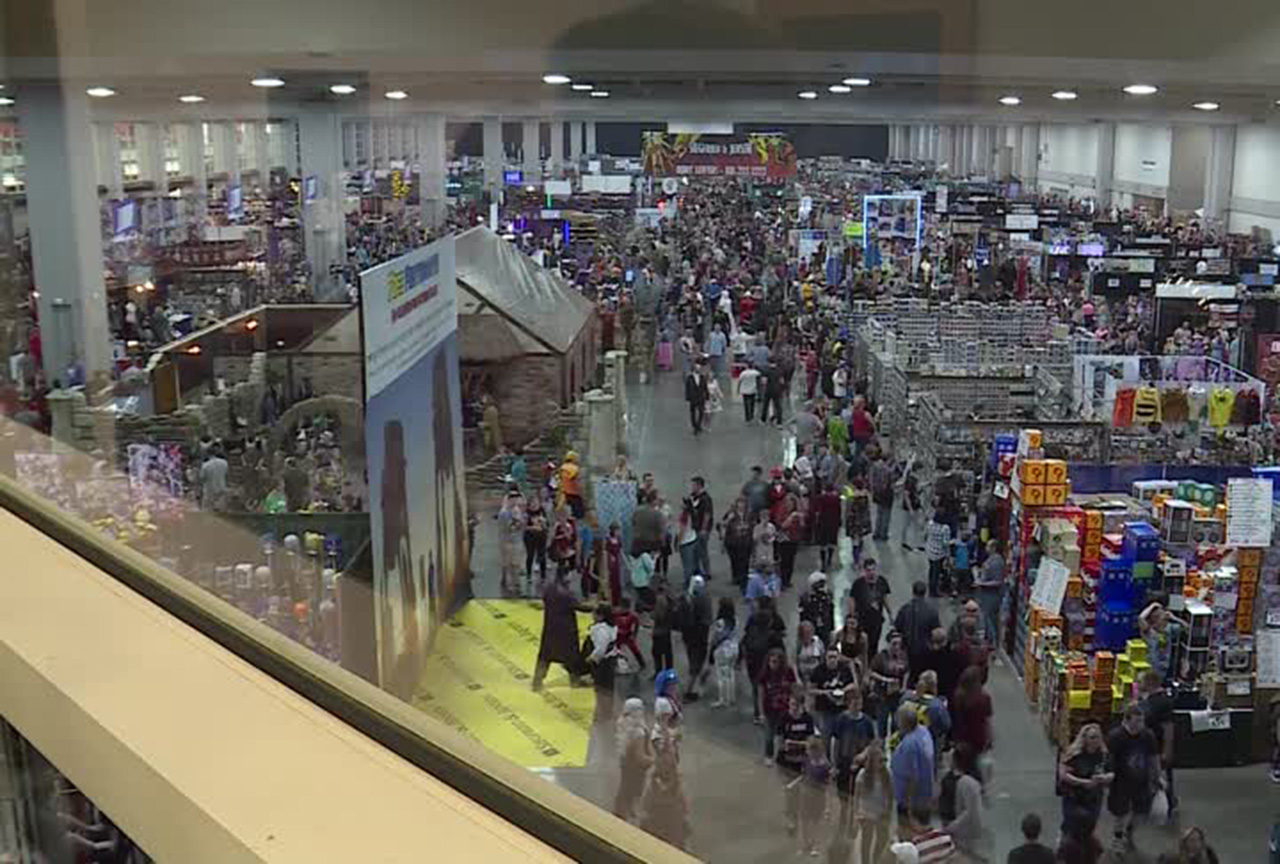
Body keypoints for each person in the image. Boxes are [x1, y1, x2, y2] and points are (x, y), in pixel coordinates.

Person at [1107, 703, 1160, 851]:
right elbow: (1109, 760)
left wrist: (1158, 776)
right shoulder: (1116, 737)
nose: (1140, 725)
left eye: (1142, 721)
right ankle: (1117, 838)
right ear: (1126, 720)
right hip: (1121, 781)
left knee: (1140, 811)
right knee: (1120, 812)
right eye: (1136, 722)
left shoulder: (1147, 735)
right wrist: (1108, 777)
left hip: (1141, 780)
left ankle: (1130, 831)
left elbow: (1153, 757)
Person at [532, 570, 587, 691]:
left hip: (550, 629)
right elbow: (581, 607)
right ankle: (575, 681)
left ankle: (537, 682)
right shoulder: (567, 595)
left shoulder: (549, 590)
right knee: (571, 657)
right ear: (565, 578)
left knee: (545, 656)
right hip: (566, 631)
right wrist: (597, 606)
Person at [1058, 722, 1112, 844]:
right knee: (1070, 823)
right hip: (1074, 796)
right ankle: (1064, 846)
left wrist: (1104, 778)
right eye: (1092, 737)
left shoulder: (1104, 755)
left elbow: (1112, 772)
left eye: (1098, 737)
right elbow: (1063, 775)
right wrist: (1083, 782)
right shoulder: (1074, 754)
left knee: (1090, 823)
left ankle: (1085, 848)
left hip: (1094, 797)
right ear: (1085, 738)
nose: (1096, 740)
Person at [777, 692, 817, 836]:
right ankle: (791, 820)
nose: (792, 708)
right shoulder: (784, 718)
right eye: (790, 704)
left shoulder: (807, 719)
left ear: (801, 705)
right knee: (790, 793)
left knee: (804, 793)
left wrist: (794, 743)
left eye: (794, 705)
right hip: (787, 763)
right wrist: (796, 745)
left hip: (803, 763)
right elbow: (781, 743)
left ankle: (805, 819)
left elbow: (811, 743)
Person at [1138, 669, 1177, 817]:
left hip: (1159, 745)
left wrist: (1167, 750)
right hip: (1149, 746)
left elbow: (1168, 727)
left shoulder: (1163, 701)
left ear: (1150, 683)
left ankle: (1169, 803)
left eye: (1140, 681)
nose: (1138, 684)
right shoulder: (1149, 699)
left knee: (1162, 776)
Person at [890, 703, 935, 829]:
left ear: (904, 723)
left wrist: (909, 808)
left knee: (910, 838)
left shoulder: (910, 746)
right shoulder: (923, 731)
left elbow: (912, 778)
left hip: (912, 802)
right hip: (925, 795)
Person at [942, 744, 988, 862]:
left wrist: (952, 826)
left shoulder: (965, 782)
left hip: (965, 831)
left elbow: (969, 811)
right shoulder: (966, 779)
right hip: (965, 829)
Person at [744, 598, 787, 723]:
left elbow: (744, 640)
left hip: (752, 664)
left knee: (756, 688)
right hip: (768, 665)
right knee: (770, 688)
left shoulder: (752, 629)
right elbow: (781, 649)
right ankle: (771, 711)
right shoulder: (773, 636)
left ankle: (757, 713)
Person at [640, 746, 691, 851]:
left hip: (672, 824)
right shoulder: (652, 784)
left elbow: (684, 807)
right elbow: (645, 805)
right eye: (661, 763)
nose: (663, 766)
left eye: (667, 764)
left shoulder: (678, 784)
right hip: (656, 823)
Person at [613, 697, 653, 822]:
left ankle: (620, 811)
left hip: (625, 763)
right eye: (640, 709)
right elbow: (640, 757)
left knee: (624, 788)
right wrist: (653, 760)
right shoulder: (638, 732)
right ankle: (629, 814)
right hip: (637, 769)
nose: (642, 711)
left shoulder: (621, 722)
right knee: (635, 791)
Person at [855, 741, 894, 864]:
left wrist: (889, 812)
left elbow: (890, 796)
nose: (883, 764)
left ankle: (876, 860)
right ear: (872, 762)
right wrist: (855, 814)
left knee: (882, 839)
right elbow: (856, 796)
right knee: (866, 841)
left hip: (882, 813)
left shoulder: (887, 775)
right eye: (880, 761)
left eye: (884, 760)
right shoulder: (862, 775)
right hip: (866, 813)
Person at [810, 647, 857, 745]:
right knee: (825, 738)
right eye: (830, 657)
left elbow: (853, 684)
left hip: (842, 709)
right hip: (825, 710)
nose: (832, 660)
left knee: (843, 739)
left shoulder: (844, 669)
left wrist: (843, 690)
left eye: (834, 657)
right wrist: (826, 692)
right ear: (825, 658)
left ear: (838, 657)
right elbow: (811, 690)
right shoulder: (818, 670)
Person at [759, 648, 799, 759]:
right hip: (769, 709)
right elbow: (761, 694)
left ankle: (782, 756)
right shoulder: (765, 674)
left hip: (784, 709)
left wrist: (794, 707)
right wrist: (761, 713)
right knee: (769, 735)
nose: (772, 664)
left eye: (775, 662)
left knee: (782, 735)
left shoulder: (788, 672)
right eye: (771, 661)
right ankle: (769, 756)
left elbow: (794, 689)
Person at [895, 581, 942, 675]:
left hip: (909, 650)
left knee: (910, 675)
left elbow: (898, 627)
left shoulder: (905, 609)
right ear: (925, 592)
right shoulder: (932, 611)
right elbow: (937, 632)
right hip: (926, 651)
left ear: (913, 592)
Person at [870, 630, 910, 738]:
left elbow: (906, 671)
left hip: (897, 695)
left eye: (899, 644)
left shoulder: (903, 655)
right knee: (882, 723)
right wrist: (884, 679)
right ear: (888, 643)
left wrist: (904, 686)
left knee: (897, 723)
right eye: (894, 644)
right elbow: (871, 672)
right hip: (882, 694)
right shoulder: (880, 657)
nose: (897, 647)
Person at [679, 575, 713, 701]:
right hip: (699, 635)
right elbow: (707, 619)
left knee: (693, 660)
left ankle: (696, 682)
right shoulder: (704, 598)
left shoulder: (685, 599)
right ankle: (689, 691)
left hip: (688, 635)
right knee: (696, 662)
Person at [797, 735, 832, 856]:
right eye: (808, 750)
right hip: (805, 796)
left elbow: (828, 786)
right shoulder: (807, 761)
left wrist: (828, 807)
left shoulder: (825, 766)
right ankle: (806, 844)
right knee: (804, 822)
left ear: (817, 751)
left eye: (810, 750)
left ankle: (815, 845)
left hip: (818, 797)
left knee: (816, 822)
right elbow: (804, 776)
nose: (808, 752)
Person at [585, 603, 620, 721]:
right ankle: (606, 711)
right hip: (610, 660)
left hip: (604, 662)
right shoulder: (611, 627)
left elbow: (601, 648)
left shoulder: (601, 630)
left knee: (602, 688)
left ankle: (604, 713)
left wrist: (592, 658)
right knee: (608, 687)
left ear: (600, 616)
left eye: (594, 613)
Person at [850, 558, 891, 654]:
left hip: (876, 620)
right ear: (864, 571)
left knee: (874, 643)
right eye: (868, 570)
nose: (871, 573)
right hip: (862, 620)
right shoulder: (858, 584)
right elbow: (852, 600)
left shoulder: (882, 581)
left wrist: (889, 613)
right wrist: (852, 616)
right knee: (862, 643)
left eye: (873, 569)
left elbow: (885, 598)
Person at [951, 665, 994, 759]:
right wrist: (989, 739)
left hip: (963, 737)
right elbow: (987, 721)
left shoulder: (958, 696)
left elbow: (956, 718)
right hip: (978, 737)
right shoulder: (984, 698)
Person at [974, 540, 1006, 647]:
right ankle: (987, 639)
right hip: (986, 595)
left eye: (988, 546)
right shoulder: (991, 559)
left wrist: (982, 583)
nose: (986, 548)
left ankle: (993, 643)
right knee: (987, 618)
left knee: (991, 618)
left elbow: (998, 581)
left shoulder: (997, 562)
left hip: (992, 596)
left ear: (993, 548)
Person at [709, 597, 739, 708]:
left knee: (721, 675)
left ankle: (723, 699)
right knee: (731, 673)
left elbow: (716, 637)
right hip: (734, 648)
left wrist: (712, 646)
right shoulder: (736, 619)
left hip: (723, 650)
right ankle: (731, 697)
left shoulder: (720, 622)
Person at [720, 496, 755, 588]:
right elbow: (722, 525)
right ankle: (736, 577)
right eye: (739, 503)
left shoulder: (750, 514)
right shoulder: (731, 513)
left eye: (743, 503)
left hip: (746, 541)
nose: (741, 505)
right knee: (734, 560)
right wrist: (729, 519)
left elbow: (754, 524)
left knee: (745, 560)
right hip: (733, 541)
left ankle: (744, 577)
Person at [687, 476, 715, 579]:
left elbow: (707, 515)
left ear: (699, 485)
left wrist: (704, 529)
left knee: (703, 550)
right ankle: (696, 569)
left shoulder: (706, 499)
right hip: (694, 527)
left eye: (694, 485)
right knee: (695, 550)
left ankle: (707, 572)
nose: (692, 487)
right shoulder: (693, 497)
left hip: (702, 529)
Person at [799, 571, 836, 646]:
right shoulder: (806, 598)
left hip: (825, 627)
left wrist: (832, 628)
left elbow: (830, 611)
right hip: (811, 628)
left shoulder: (827, 596)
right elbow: (802, 614)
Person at [812, 481, 842, 572]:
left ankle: (823, 562)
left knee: (823, 544)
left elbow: (817, 511)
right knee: (831, 542)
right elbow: (839, 511)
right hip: (834, 523)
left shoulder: (821, 498)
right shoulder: (836, 499)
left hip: (823, 523)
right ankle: (829, 559)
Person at [924, 508, 953, 598]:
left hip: (930, 550)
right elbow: (945, 543)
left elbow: (926, 535)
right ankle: (933, 591)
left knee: (932, 569)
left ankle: (930, 587)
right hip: (939, 553)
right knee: (936, 572)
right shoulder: (945, 528)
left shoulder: (930, 524)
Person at [868, 450, 896, 541]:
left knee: (879, 513)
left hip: (878, 493)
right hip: (887, 495)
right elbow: (891, 484)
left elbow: (871, 480)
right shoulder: (889, 471)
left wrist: (873, 491)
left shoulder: (875, 466)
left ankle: (876, 533)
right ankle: (883, 534)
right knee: (886, 515)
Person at [613, 598, 646, 672]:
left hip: (627, 635)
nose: (621, 609)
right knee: (616, 650)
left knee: (634, 649)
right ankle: (616, 664)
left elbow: (637, 624)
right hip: (618, 635)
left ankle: (642, 663)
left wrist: (634, 635)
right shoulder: (616, 614)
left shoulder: (632, 616)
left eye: (623, 608)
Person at [650, 589, 676, 674]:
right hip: (666, 633)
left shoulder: (658, 612)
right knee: (668, 654)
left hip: (658, 634)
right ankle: (669, 672)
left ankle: (658, 671)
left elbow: (653, 617)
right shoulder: (669, 609)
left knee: (656, 654)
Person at [684, 359, 711, 435]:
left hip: (700, 397)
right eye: (697, 368)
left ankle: (698, 425)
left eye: (699, 368)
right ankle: (695, 425)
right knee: (693, 413)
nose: (698, 370)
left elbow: (705, 387)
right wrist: (687, 397)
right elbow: (687, 388)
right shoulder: (689, 378)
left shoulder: (702, 377)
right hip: (693, 397)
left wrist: (707, 396)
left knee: (701, 412)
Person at [794, 619, 825, 684]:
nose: (807, 635)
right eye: (805, 632)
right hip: (803, 675)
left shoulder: (818, 642)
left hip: (816, 674)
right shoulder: (798, 645)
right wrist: (797, 678)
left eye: (809, 632)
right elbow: (794, 662)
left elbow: (822, 659)